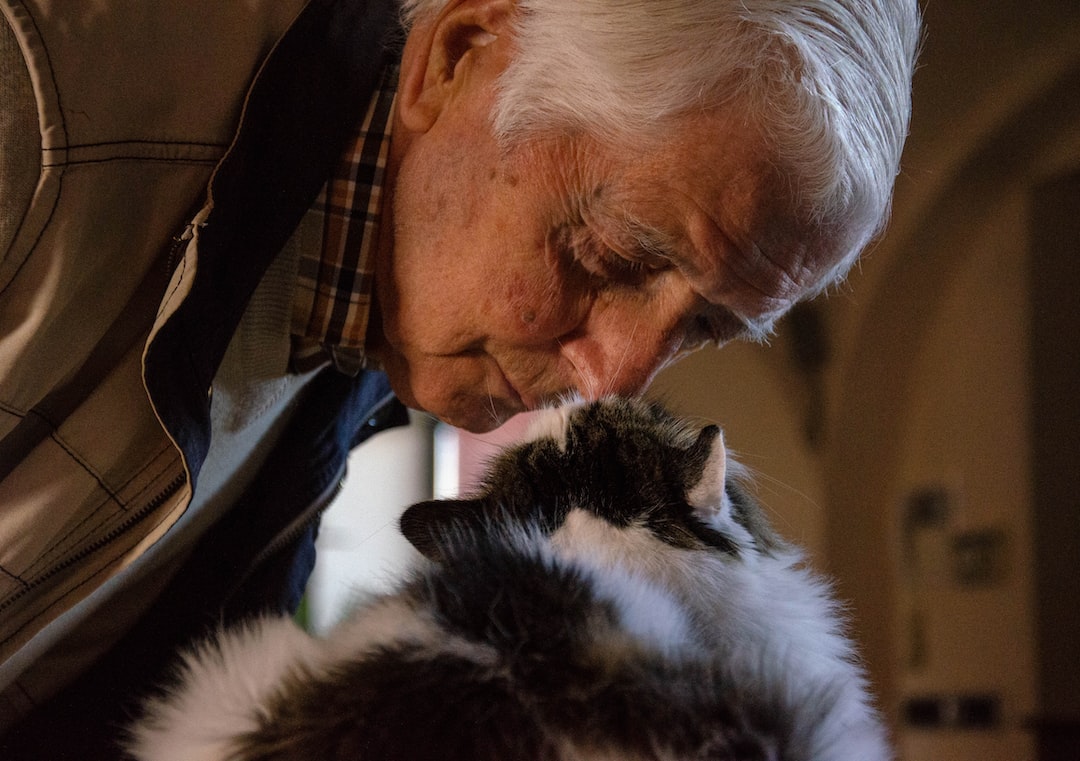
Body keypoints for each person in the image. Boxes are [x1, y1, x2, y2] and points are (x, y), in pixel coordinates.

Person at [0, 0, 920, 754]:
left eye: (706, 325)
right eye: (608, 255)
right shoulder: (39, 98)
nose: (613, 380)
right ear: (457, 56)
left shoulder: (373, 314)